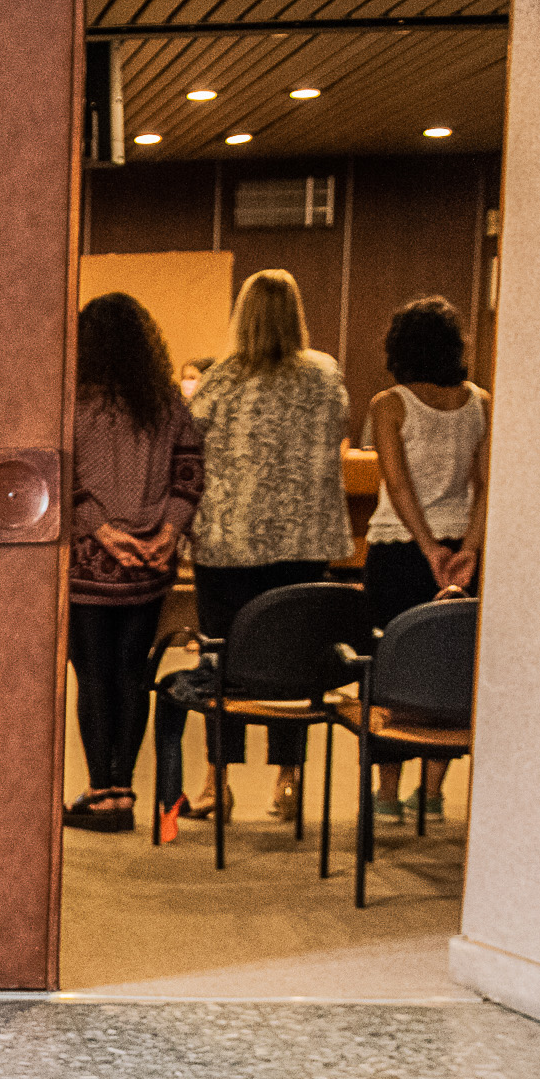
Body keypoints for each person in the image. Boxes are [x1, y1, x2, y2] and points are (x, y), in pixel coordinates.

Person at [180, 269, 349, 821]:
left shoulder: (222, 379)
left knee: (221, 659)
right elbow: (338, 427)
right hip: (302, 540)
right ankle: (288, 782)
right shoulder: (323, 373)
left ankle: (217, 784)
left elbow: (189, 443)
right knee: (293, 656)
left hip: (228, 540)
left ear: (242, 315)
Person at [64, 293, 205, 833]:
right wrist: (168, 533)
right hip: (151, 563)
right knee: (132, 672)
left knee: (93, 675)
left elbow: (62, 474)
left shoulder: (71, 400)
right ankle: (123, 789)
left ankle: (103, 794)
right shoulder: (165, 401)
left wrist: (102, 531)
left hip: (89, 562)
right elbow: (190, 470)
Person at [363, 295, 489, 821]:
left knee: (390, 665)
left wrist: (426, 548)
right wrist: (468, 550)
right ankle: (432, 793)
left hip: (399, 548)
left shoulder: (389, 404)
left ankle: (387, 794)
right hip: (460, 550)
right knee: (448, 664)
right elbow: (488, 485)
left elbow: (397, 485)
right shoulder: (481, 402)